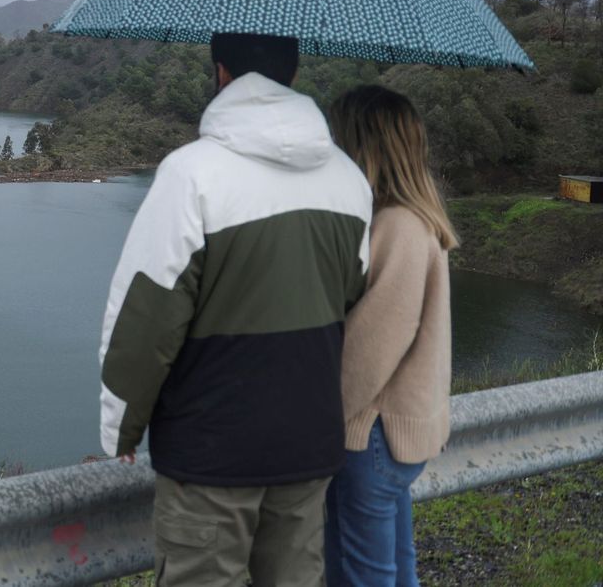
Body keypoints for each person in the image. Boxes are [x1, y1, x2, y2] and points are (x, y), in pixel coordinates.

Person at [98, 32, 373, 586]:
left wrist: (122, 431)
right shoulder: (348, 178)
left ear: (221, 74)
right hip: (308, 442)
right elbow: (352, 295)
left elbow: (148, 318)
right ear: (294, 78)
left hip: (212, 449)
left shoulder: (191, 173)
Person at [323, 86, 454, 587]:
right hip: (400, 433)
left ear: (364, 147)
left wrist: (320, 417)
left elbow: (374, 345)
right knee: (398, 570)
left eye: (341, 139)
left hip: (371, 435)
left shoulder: (397, 225)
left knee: (362, 578)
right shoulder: (420, 218)